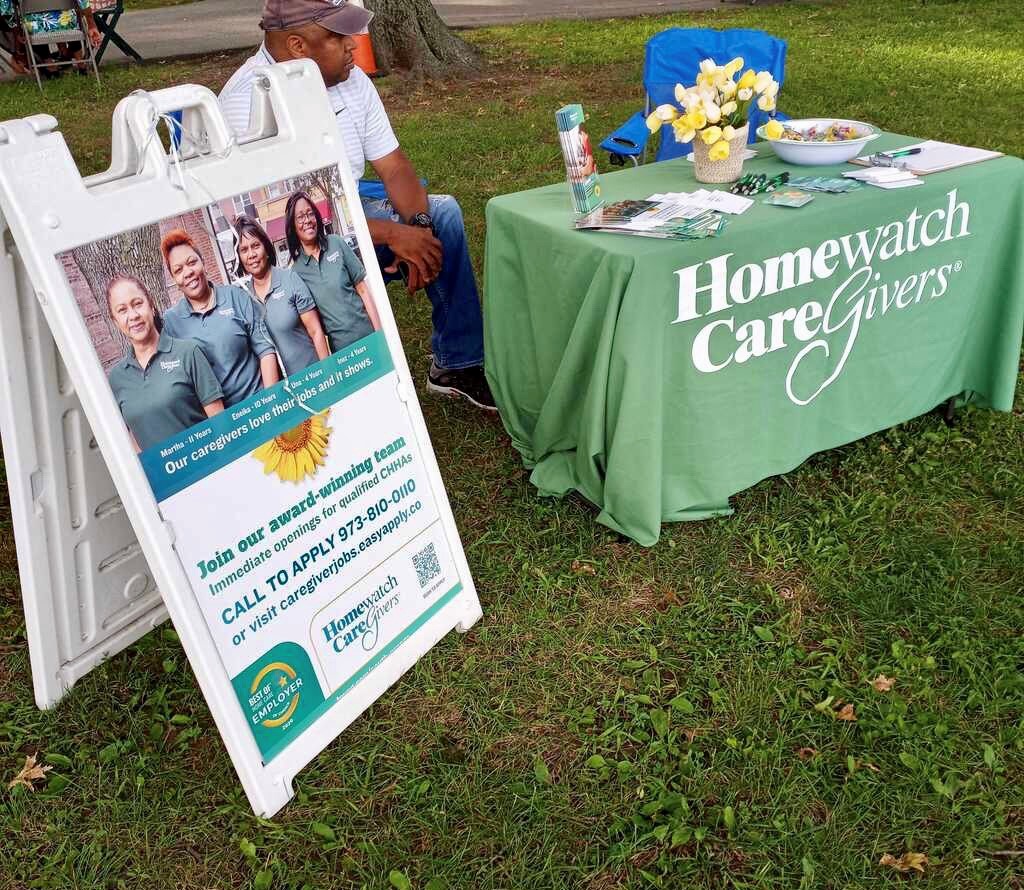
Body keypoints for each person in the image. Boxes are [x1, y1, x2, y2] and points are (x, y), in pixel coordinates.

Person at [218, 0, 497, 411]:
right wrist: (389, 234)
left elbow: (394, 165)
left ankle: (457, 363)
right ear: (297, 45)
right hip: (297, 241)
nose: (354, 44)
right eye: (337, 36)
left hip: (349, 202)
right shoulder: (246, 106)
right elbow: (289, 223)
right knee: (331, 261)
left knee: (444, 215)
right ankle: (344, 384)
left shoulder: (348, 79)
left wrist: (418, 228)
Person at [159, 228, 281, 407]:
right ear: (174, 279)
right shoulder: (171, 322)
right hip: (220, 421)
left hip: (259, 403)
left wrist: (272, 404)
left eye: (192, 262)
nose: (188, 272)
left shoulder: (235, 297)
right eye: (178, 270)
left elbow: (266, 351)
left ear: (203, 262)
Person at [105, 274, 224, 452]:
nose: (133, 315)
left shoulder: (188, 353)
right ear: (115, 321)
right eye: (122, 310)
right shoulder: (116, 379)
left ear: (151, 305)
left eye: (138, 303)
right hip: (162, 478)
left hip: (208, 469)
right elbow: (133, 440)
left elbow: (221, 425)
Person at [283, 190, 382, 353]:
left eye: (310, 214)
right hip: (342, 354)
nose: (307, 220)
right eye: (300, 217)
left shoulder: (336, 243)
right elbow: (313, 326)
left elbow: (363, 290)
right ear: (292, 226)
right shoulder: (296, 272)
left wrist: (379, 335)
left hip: (369, 336)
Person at [234, 213, 330, 376]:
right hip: (281, 393)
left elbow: (316, 331)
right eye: (244, 250)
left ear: (266, 247)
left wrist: (329, 374)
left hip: (314, 378)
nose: (251, 255)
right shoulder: (243, 297)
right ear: (239, 257)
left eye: (256, 245)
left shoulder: (289, 279)